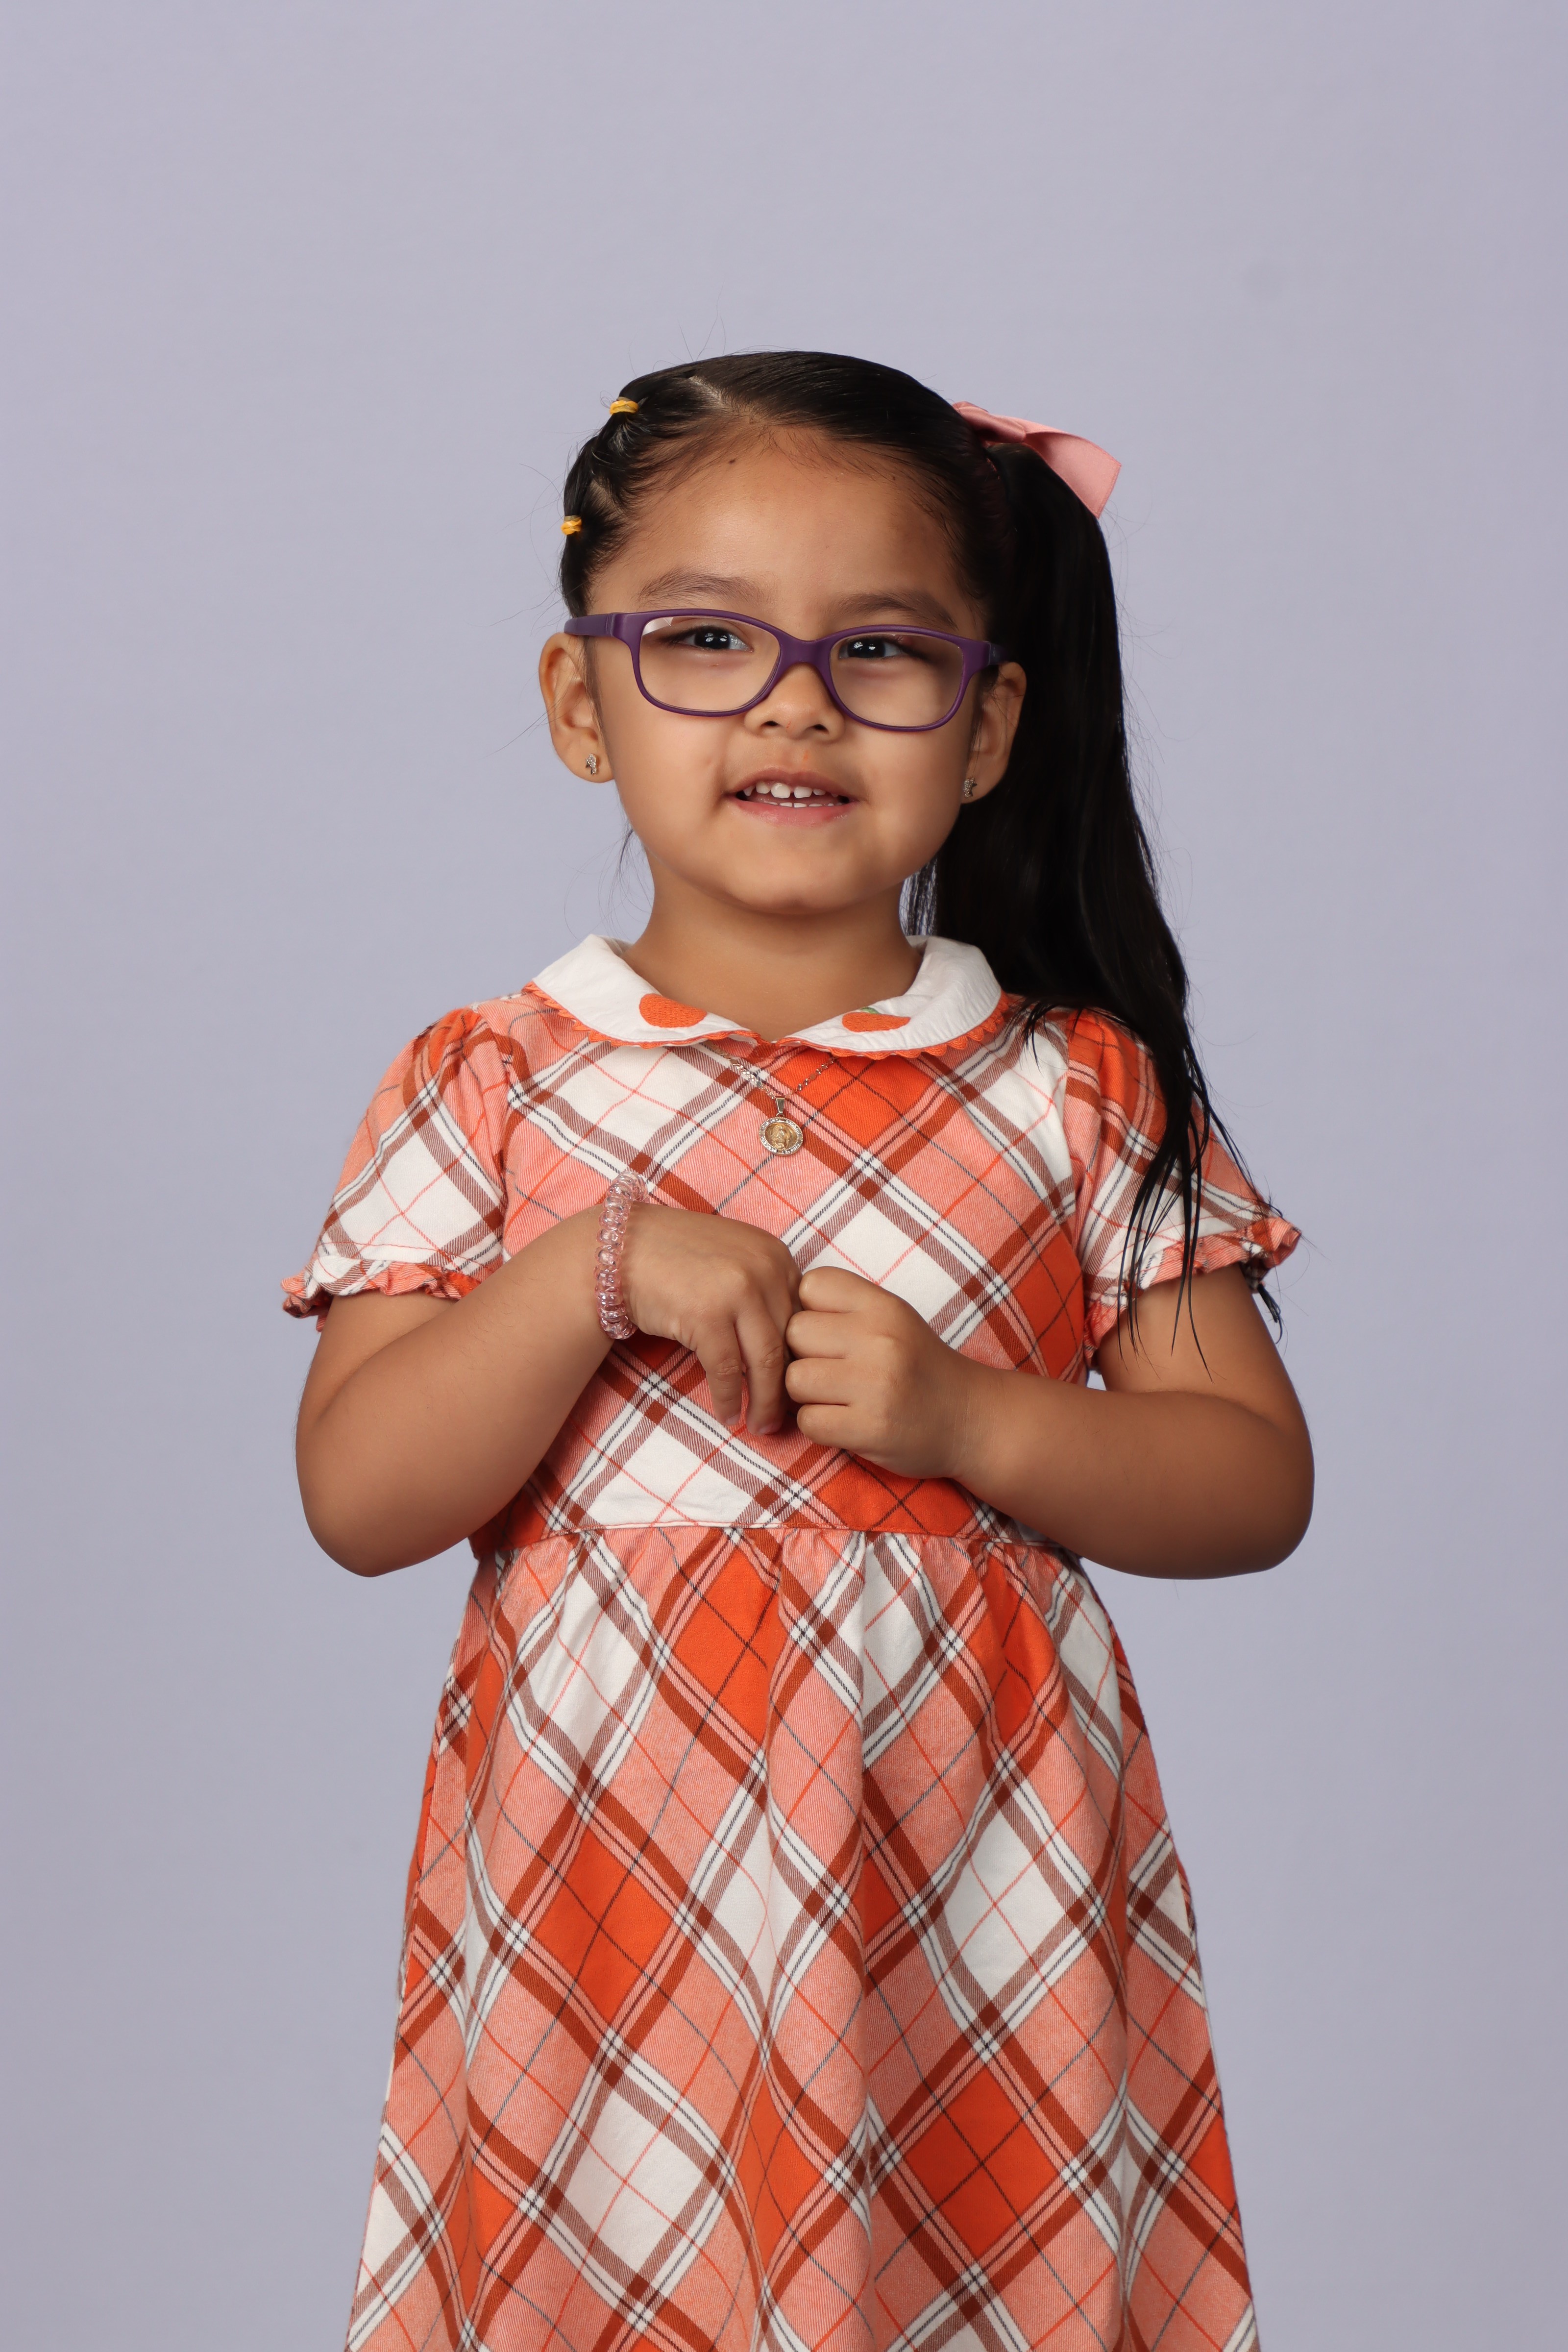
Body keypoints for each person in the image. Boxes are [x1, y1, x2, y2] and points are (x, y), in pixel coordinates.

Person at [286, 351, 1310, 2352]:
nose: (791, 703)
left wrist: (970, 1417)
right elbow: (361, 1495)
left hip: (970, 1894)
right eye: (703, 640)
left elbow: (1247, 1480)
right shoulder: (489, 1082)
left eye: (879, 652)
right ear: (579, 702)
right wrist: (581, 1277)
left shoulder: (1072, 1091)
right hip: (607, 1897)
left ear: (986, 723)